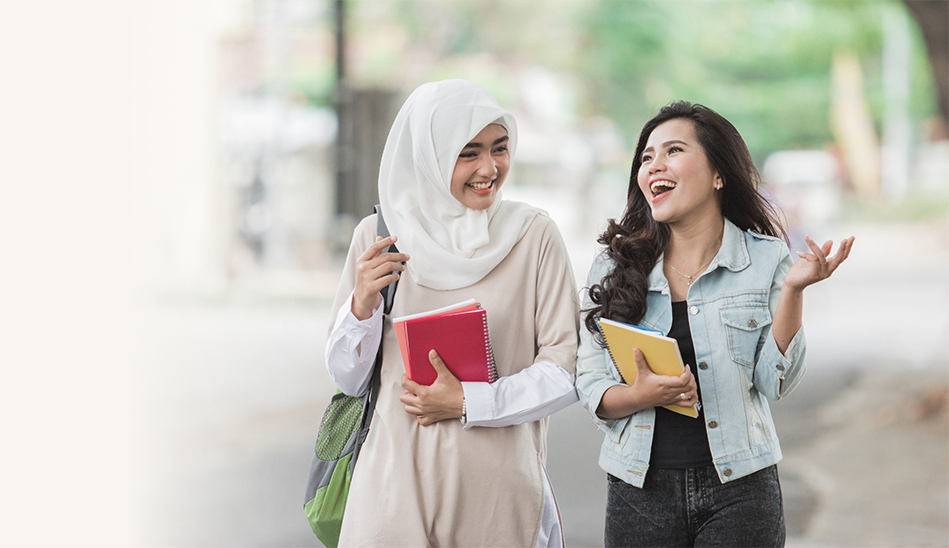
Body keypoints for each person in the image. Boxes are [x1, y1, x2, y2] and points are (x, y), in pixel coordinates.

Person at [575, 101, 854, 547]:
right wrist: (639, 395)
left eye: (673, 151)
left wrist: (794, 292)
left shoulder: (765, 259)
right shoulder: (615, 264)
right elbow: (589, 383)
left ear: (718, 174)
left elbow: (774, 382)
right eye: (647, 157)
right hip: (638, 492)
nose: (654, 166)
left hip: (741, 491)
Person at [324, 79, 580, 547]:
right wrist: (361, 305)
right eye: (469, 153)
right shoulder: (379, 236)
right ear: (430, 155)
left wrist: (468, 402)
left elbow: (566, 371)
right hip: (392, 489)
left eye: (499, 149)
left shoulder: (534, 236)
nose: (489, 168)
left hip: (499, 495)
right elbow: (348, 380)